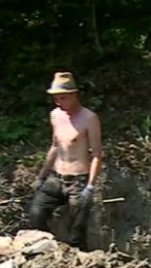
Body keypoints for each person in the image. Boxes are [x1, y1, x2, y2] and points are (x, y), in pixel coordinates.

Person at [29, 72, 103, 250]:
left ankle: (80, 262)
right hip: (56, 177)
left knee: (77, 229)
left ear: (74, 95)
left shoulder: (89, 118)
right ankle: (47, 251)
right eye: (56, 99)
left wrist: (90, 186)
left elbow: (97, 154)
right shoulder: (56, 115)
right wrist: (41, 176)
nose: (59, 102)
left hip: (78, 180)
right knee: (36, 213)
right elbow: (55, 146)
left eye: (62, 98)